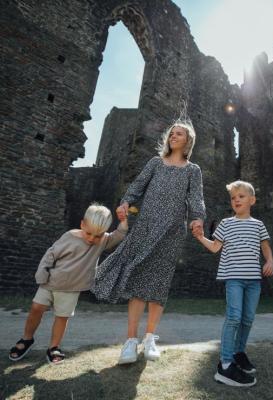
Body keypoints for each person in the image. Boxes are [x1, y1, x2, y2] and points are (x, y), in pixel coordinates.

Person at [92, 121, 205, 364]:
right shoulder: (155, 163)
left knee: (159, 284)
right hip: (145, 227)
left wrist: (197, 219)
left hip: (172, 232)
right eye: (172, 133)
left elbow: (196, 199)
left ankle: (150, 338)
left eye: (179, 134)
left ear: (188, 141)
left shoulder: (192, 170)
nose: (173, 136)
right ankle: (130, 341)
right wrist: (125, 203)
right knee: (138, 278)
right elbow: (137, 187)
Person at [8, 204, 128, 364]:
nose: (92, 239)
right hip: (50, 282)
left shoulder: (103, 240)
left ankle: (53, 347)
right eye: (89, 233)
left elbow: (119, 234)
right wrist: (42, 273)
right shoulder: (69, 236)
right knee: (36, 309)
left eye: (98, 235)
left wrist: (124, 220)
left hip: (71, 289)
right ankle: (27, 339)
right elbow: (51, 254)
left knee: (62, 317)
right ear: (82, 224)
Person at [193, 180, 273, 387]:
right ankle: (225, 364)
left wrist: (270, 261)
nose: (236, 200)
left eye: (241, 196)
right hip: (234, 280)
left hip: (254, 281)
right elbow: (214, 248)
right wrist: (201, 237)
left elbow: (265, 246)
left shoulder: (258, 225)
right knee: (234, 318)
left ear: (252, 200)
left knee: (247, 319)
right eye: (233, 197)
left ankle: (239, 353)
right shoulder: (225, 224)